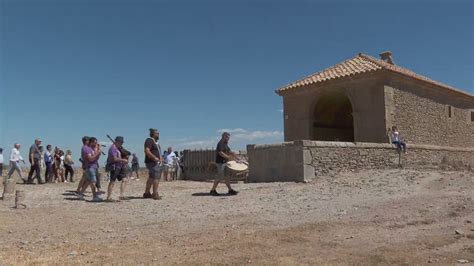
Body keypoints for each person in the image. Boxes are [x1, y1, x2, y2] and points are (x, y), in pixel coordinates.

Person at [210, 132, 239, 196]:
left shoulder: (225, 144)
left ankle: (230, 190)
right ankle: (212, 190)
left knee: (227, 177)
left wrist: (237, 158)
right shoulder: (220, 144)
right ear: (223, 137)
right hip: (220, 163)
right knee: (219, 177)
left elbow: (230, 151)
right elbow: (220, 152)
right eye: (227, 137)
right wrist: (228, 158)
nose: (228, 139)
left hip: (224, 163)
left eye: (228, 137)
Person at [77, 137, 102, 202]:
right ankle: (94, 196)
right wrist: (97, 153)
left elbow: (95, 158)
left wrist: (98, 152)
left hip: (93, 166)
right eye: (95, 142)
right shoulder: (86, 148)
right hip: (90, 167)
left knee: (88, 181)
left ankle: (80, 194)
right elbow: (90, 158)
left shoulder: (91, 149)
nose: (96, 144)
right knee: (93, 181)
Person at [106, 136, 129, 202]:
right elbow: (114, 159)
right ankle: (109, 197)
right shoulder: (112, 148)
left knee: (124, 179)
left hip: (119, 166)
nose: (121, 143)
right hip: (114, 167)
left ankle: (121, 195)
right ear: (117, 141)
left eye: (122, 142)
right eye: (120, 142)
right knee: (112, 182)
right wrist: (123, 160)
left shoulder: (117, 148)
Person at [143, 128, 162, 200]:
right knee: (156, 177)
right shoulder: (149, 140)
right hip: (152, 162)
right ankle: (155, 194)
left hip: (154, 162)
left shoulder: (155, 142)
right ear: (153, 134)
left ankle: (147, 193)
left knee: (151, 177)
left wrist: (161, 158)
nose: (158, 134)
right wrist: (154, 158)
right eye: (157, 133)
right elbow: (147, 151)